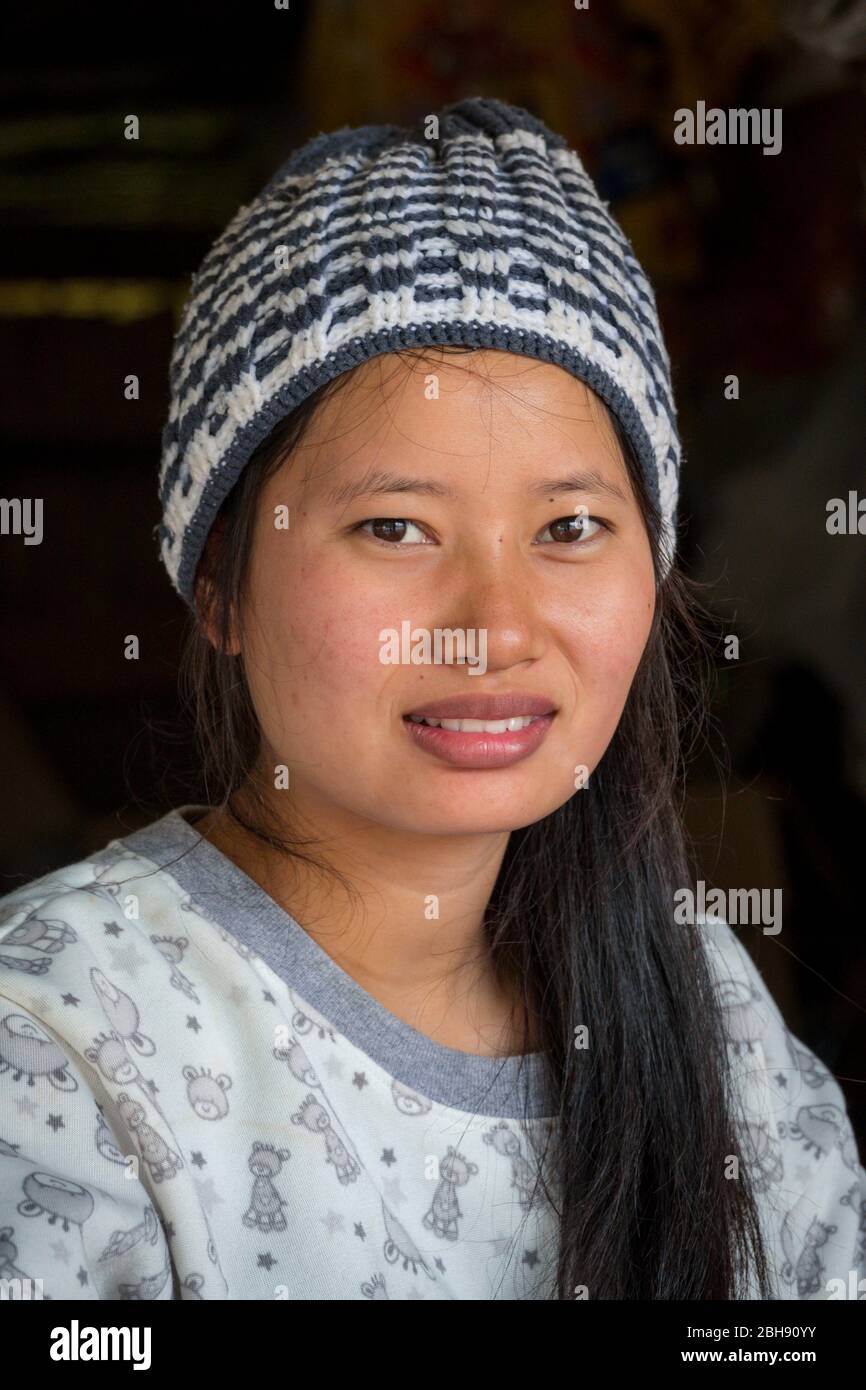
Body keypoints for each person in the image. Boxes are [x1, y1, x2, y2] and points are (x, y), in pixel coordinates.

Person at [1, 97, 863, 1302]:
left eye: (569, 526)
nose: (496, 626)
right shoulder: (56, 1046)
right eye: (394, 525)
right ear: (219, 588)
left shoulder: (704, 1008)